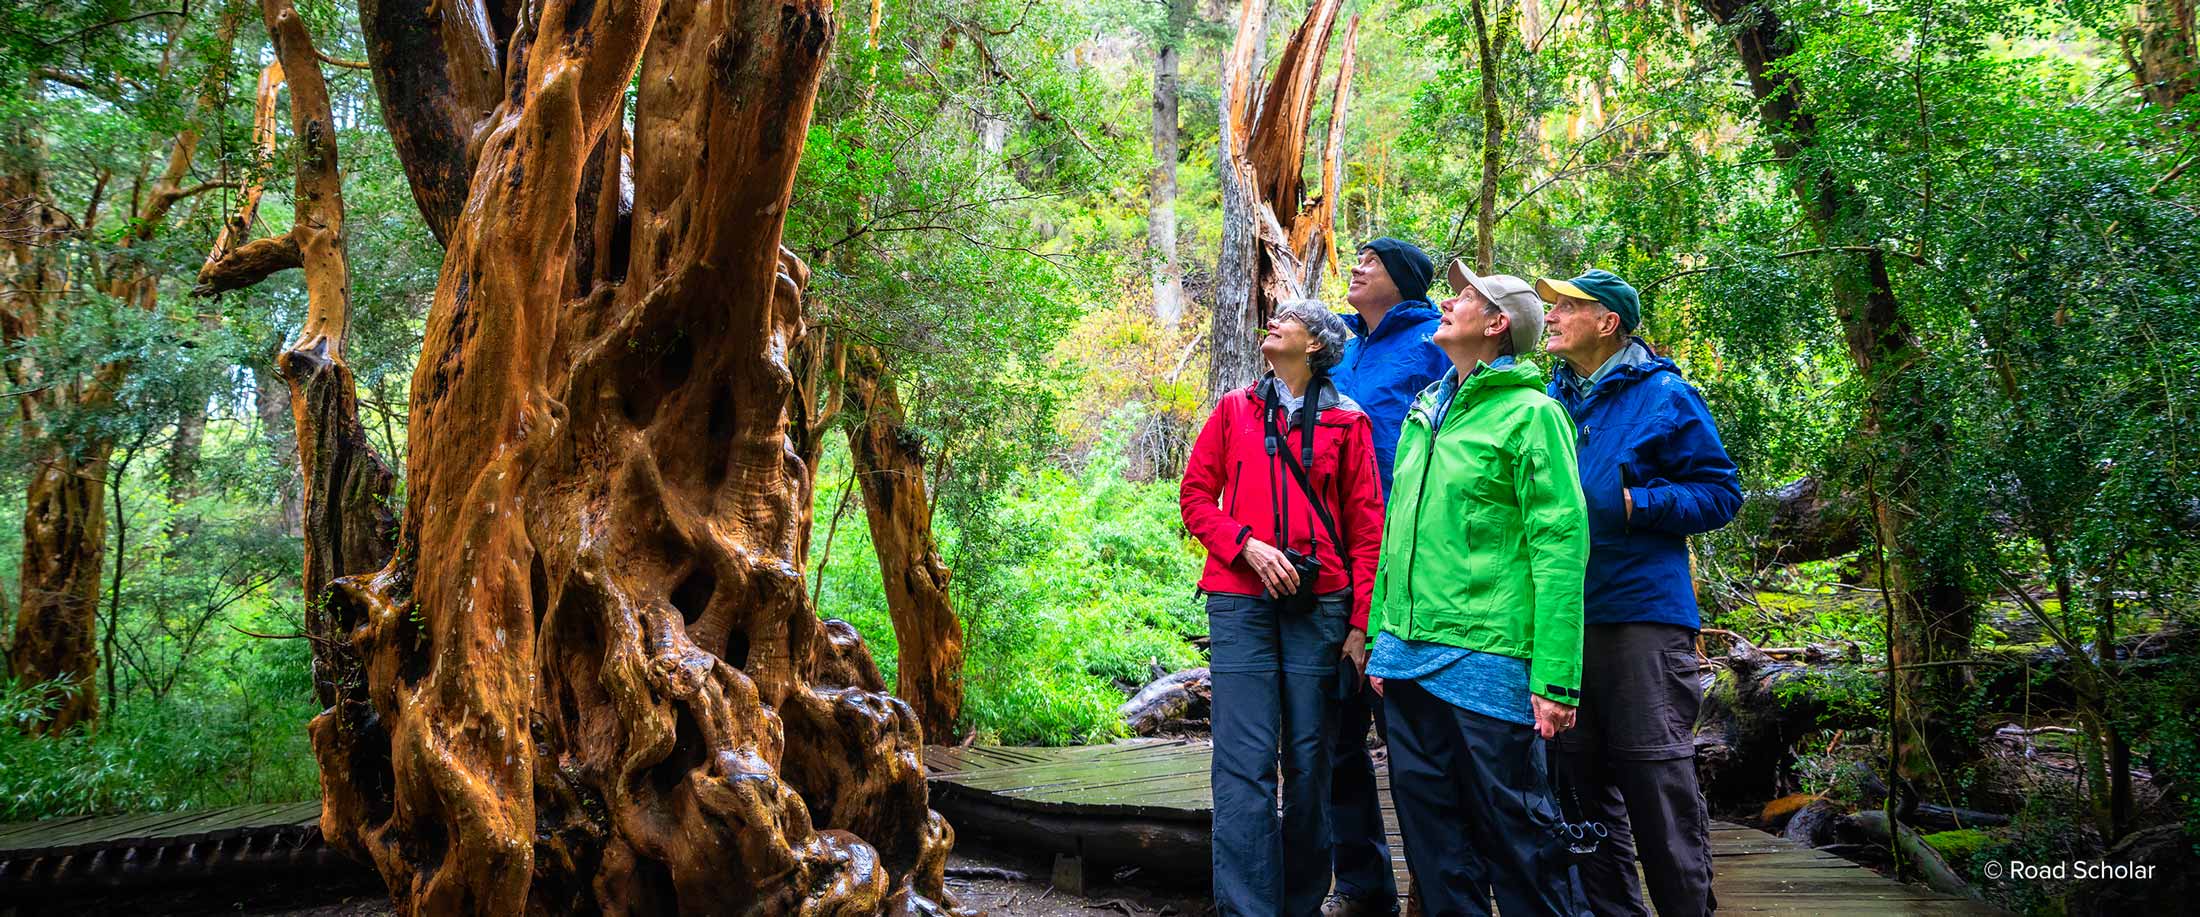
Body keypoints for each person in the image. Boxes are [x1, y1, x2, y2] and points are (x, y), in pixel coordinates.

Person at [1363, 263, 1589, 917]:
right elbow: (1397, 532)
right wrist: (1381, 634)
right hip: (1406, 656)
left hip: (1490, 660)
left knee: (1521, 841)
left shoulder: (1533, 415)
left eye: (1465, 297)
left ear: (1497, 326)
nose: (1446, 301)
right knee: (1434, 847)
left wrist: (1556, 676)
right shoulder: (1424, 412)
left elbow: (1560, 549)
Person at [1539, 269, 1742, 917]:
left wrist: (1636, 502)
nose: (1553, 315)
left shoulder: (1665, 396)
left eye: (1568, 306)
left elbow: (1721, 492)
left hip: (1642, 619)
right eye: (1552, 306)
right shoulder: (1548, 400)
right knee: (1579, 788)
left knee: (1656, 781)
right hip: (1563, 622)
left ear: (1607, 322)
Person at [1181, 299, 1388, 917]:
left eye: (1289, 319)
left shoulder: (1347, 423)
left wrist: (1360, 626)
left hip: (1320, 608)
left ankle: (1299, 903)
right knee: (1241, 763)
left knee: (1309, 762)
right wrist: (1245, 547)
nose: (1274, 321)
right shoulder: (1234, 410)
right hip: (1239, 602)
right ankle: (1246, 910)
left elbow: (1366, 530)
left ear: (1317, 346)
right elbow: (1195, 498)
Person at [1322, 237, 1448, 917]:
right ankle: (1362, 886)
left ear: (1401, 278)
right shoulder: (1337, 345)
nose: (1357, 266)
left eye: (1371, 260)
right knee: (1338, 739)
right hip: (1334, 562)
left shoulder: (1433, 340)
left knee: (1412, 742)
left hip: (1411, 565)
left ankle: (1430, 890)